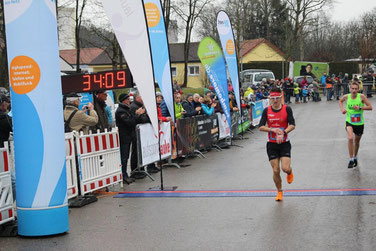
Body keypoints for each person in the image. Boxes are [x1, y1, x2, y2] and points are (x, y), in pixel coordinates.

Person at [259, 88, 296, 201]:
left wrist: (283, 132)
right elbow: (260, 126)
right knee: (276, 170)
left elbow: (292, 125)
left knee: (285, 168)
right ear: (270, 99)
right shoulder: (266, 110)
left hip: (284, 143)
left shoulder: (287, 109)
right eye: (273, 98)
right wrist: (273, 130)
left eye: (277, 98)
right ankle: (279, 192)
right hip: (272, 144)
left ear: (281, 98)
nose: (275, 101)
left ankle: (290, 172)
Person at [339, 81, 373, 168]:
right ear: (350, 89)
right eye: (352, 89)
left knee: (357, 142)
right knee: (350, 138)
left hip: (359, 123)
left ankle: (355, 157)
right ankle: (351, 159)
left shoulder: (361, 97)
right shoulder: (347, 96)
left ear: (358, 89)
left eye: (355, 89)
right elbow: (340, 101)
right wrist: (342, 109)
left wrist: (360, 108)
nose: (354, 90)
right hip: (349, 121)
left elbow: (370, 107)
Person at [115, 93, 137, 184]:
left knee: (126, 156)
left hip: (128, 135)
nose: (129, 101)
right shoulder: (121, 111)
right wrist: (136, 115)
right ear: (123, 100)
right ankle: (123, 175)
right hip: (124, 136)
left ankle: (125, 174)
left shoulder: (126, 109)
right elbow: (130, 122)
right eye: (128, 99)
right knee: (124, 157)